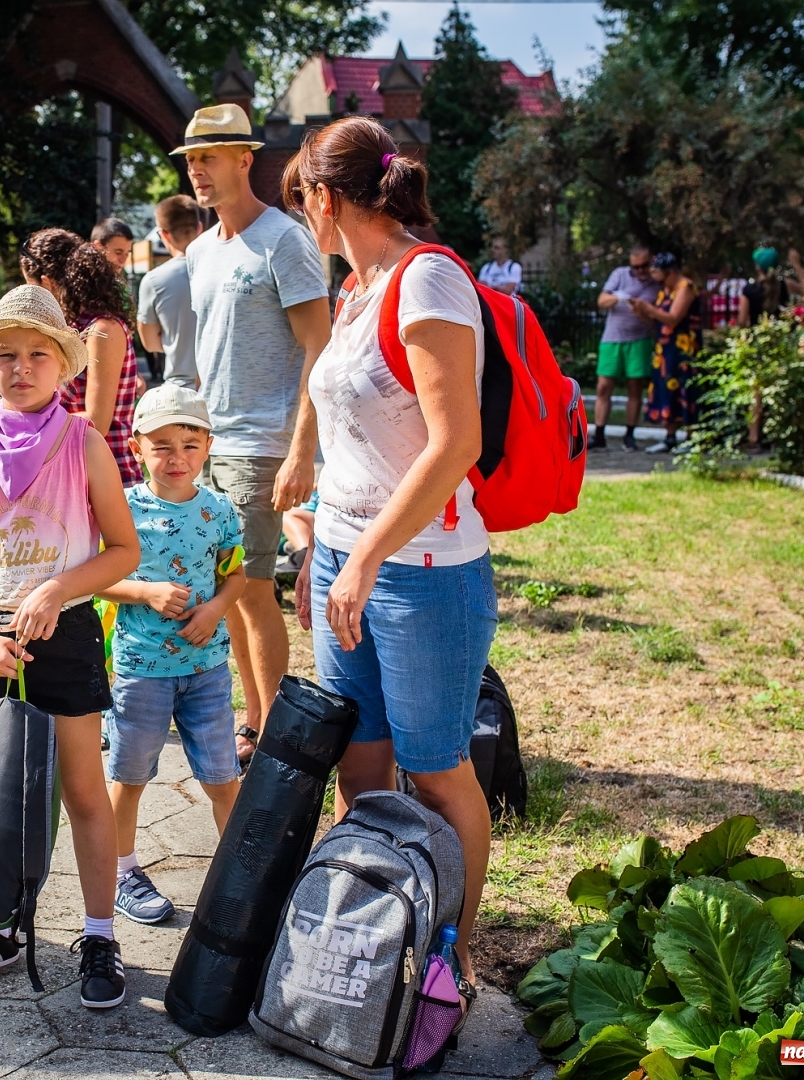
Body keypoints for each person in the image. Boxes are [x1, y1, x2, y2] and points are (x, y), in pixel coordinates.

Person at [284, 114, 493, 1016]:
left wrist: (365, 555)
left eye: (303, 203)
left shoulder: (429, 279)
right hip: (345, 560)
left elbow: (454, 446)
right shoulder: (355, 290)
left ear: (327, 199)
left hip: (425, 572)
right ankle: (361, 925)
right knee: (358, 764)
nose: (305, 221)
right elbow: (351, 440)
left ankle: (455, 949)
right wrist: (322, 551)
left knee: (436, 765)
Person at [0, 284, 139, 1007]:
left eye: (37, 354)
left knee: (80, 791)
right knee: (1, 792)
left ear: (63, 365)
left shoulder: (84, 444)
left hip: (64, 636)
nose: (21, 368)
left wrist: (57, 589)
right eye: (5, 356)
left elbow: (123, 550)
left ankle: (101, 935)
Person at [175, 102, 331, 758]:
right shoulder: (202, 251)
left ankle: (272, 737)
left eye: (210, 158)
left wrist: (300, 452)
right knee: (226, 592)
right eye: (191, 161)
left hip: (261, 444)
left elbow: (320, 348)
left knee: (253, 589)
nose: (199, 173)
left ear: (245, 160)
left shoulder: (284, 240)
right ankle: (255, 716)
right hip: (211, 442)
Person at [97, 382, 245, 925]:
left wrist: (214, 610)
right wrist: (145, 591)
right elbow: (97, 580)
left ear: (207, 446)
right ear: (136, 448)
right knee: (129, 776)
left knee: (222, 778)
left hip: (206, 668)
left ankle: (238, 877)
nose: (176, 457)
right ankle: (119, 872)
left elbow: (237, 576)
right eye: (162, 445)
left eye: (189, 443)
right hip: (141, 670)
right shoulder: (120, 508)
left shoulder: (219, 509)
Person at [20, 229, 142, 487]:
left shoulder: (102, 329)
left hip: (110, 477)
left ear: (48, 283)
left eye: (34, 290)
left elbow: (98, 420)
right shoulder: (72, 327)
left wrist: (27, 425)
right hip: (75, 473)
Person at [630, 253, 701, 454]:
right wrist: (642, 312)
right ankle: (669, 437)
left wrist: (649, 308)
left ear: (671, 271)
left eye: (659, 274)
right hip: (665, 349)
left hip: (684, 349)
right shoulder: (665, 291)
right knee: (666, 389)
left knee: (685, 389)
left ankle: (690, 438)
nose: (657, 279)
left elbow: (673, 318)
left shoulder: (685, 287)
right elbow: (658, 322)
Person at [590, 246, 659, 451]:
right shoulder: (620, 275)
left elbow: (654, 323)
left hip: (639, 340)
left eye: (644, 266)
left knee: (635, 387)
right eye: (635, 267)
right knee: (603, 386)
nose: (639, 271)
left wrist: (641, 311)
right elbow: (602, 300)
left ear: (651, 262)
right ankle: (599, 434)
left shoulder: (656, 285)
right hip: (612, 338)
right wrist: (621, 297)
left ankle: (630, 435)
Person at [137, 194, 203, 388]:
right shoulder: (223, 270)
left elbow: (149, 343)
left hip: (181, 389)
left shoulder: (154, 280)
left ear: (164, 234)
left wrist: (176, 344)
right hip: (222, 389)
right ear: (200, 228)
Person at [737, 247, 804, 328]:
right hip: (783, 335)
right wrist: (797, 265)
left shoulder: (749, 290)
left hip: (759, 337)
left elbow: (741, 322)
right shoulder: (786, 284)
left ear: (758, 267)